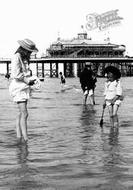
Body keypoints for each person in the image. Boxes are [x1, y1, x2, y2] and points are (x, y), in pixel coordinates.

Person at [9, 38, 38, 143]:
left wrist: (31, 80)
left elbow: (23, 73)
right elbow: (15, 75)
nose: (30, 53)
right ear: (24, 49)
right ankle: (25, 139)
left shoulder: (22, 57)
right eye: (29, 51)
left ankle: (19, 136)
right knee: (25, 113)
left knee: (21, 113)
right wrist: (27, 81)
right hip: (18, 87)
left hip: (23, 86)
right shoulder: (16, 57)